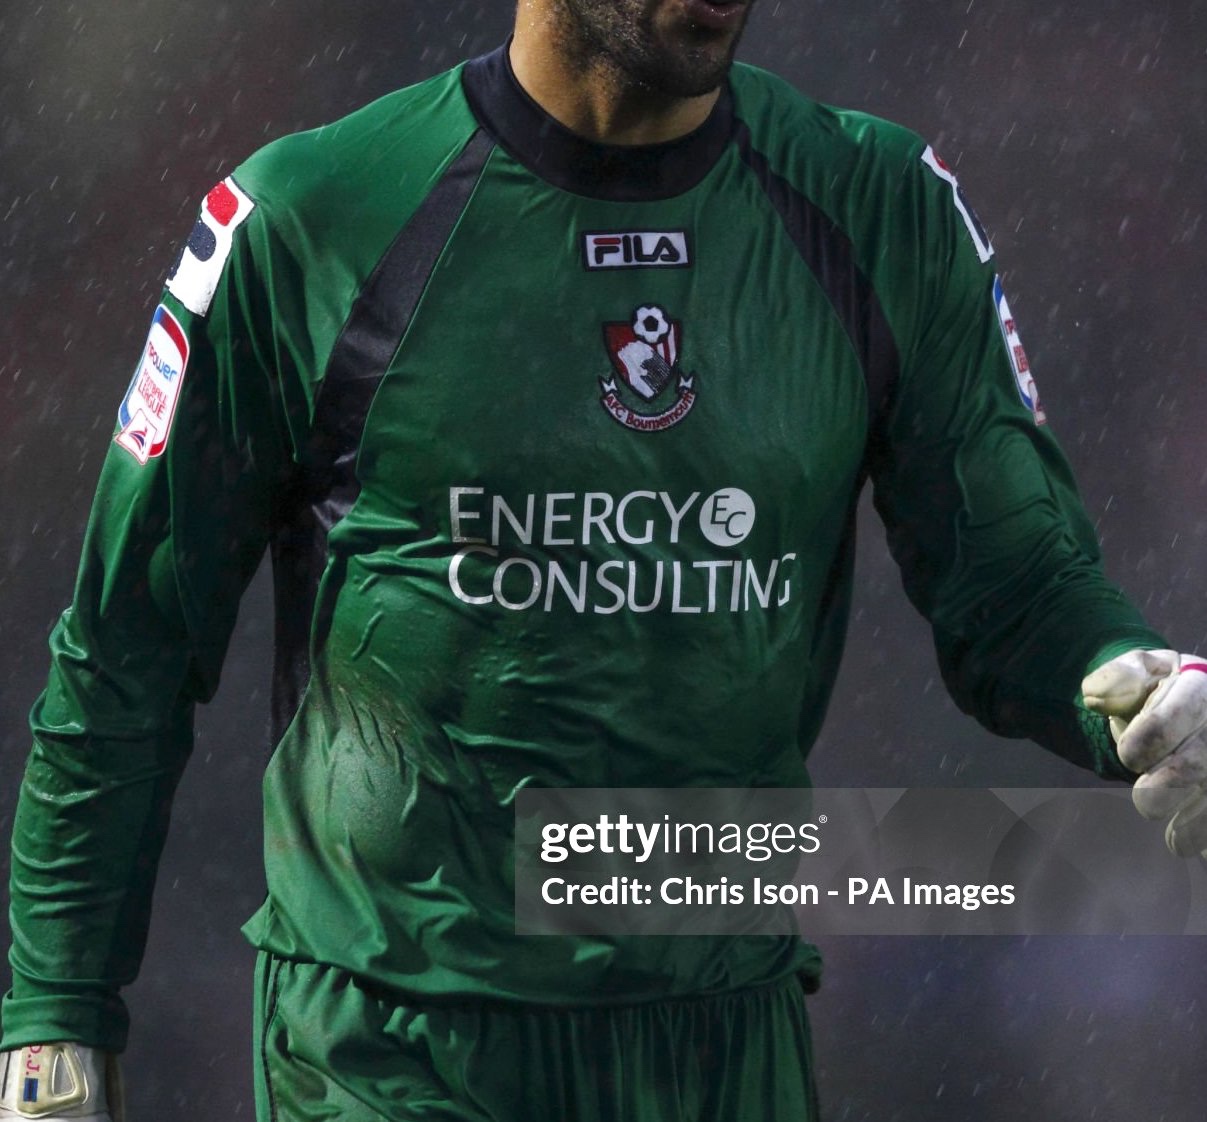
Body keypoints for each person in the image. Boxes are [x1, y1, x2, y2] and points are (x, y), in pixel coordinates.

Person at [3, 1, 1206, 1118]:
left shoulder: (883, 205)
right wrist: (53, 1018)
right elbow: (126, 649)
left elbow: (1016, 584)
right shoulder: (310, 215)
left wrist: (1140, 696)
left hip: (722, 1037)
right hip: (389, 1048)